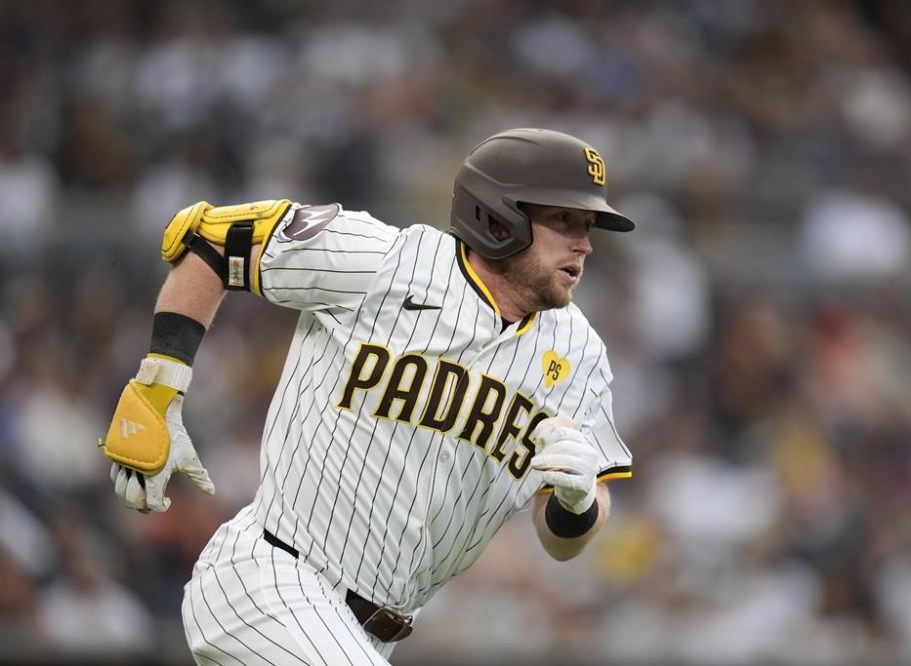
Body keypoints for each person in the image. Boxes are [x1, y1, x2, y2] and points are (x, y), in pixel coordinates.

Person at [101, 127, 635, 664]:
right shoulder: (384, 259)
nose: (584, 243)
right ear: (502, 215)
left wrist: (579, 502)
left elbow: (561, 542)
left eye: (587, 226)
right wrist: (159, 385)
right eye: (565, 220)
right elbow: (214, 240)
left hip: (372, 635)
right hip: (270, 582)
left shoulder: (578, 356)